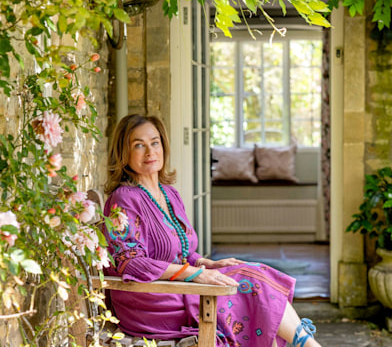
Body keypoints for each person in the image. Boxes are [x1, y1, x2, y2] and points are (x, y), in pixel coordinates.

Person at [102, 114, 320, 347]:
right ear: (124, 154)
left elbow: (182, 252)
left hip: (178, 288)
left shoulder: (169, 194)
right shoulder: (123, 200)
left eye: (155, 142)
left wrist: (206, 264)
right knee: (249, 283)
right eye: (138, 145)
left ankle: (306, 344)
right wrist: (194, 274)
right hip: (153, 302)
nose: (150, 152)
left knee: (253, 273)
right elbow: (130, 262)